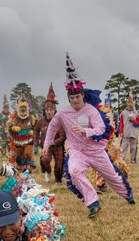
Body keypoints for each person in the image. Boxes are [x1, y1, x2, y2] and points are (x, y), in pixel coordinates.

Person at [43, 52, 134, 218]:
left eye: (77, 97)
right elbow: (52, 127)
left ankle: (128, 196)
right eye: (72, 98)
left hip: (96, 151)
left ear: (82, 95)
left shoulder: (91, 110)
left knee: (112, 177)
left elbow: (100, 128)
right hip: (77, 151)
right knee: (74, 171)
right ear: (68, 98)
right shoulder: (63, 112)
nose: (75, 101)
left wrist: (86, 131)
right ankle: (93, 202)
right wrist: (46, 144)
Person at [36, 83, 64, 183]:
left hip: (57, 146)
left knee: (59, 166)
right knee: (45, 159)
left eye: (51, 110)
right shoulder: (40, 121)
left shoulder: (59, 121)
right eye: (47, 110)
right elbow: (36, 131)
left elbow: (62, 136)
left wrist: (53, 142)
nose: (49, 112)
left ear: (54, 110)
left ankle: (58, 180)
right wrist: (37, 142)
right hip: (46, 146)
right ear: (44, 111)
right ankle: (47, 172)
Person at [6, 97, 37, 172]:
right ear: (18, 103)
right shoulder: (14, 114)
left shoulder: (30, 114)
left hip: (28, 138)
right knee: (16, 153)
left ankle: (29, 166)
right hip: (16, 138)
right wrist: (13, 128)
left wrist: (33, 131)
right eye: (20, 101)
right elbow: (9, 124)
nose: (22, 103)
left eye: (24, 101)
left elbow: (35, 125)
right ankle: (13, 166)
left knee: (27, 153)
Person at [119, 90, 139, 163]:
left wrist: (134, 120)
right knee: (123, 146)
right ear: (127, 103)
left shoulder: (136, 113)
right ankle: (121, 158)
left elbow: (138, 124)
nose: (130, 104)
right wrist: (121, 131)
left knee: (133, 147)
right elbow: (121, 123)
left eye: (131, 103)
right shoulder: (123, 113)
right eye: (128, 103)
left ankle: (133, 159)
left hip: (134, 133)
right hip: (126, 132)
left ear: (133, 103)